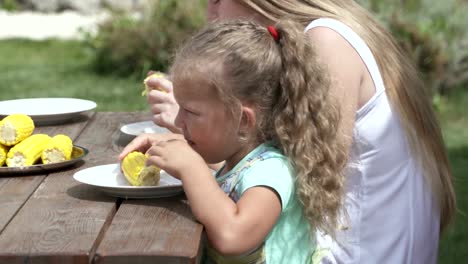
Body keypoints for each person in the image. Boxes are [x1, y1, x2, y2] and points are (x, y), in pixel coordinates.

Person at [140, 1, 457, 263]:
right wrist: (199, 121)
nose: (209, 14)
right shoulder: (325, 34)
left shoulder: (326, 41)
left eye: (217, 1)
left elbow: (286, 184)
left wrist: (203, 137)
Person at [121, 19, 347, 263]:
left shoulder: (273, 171)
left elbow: (233, 236)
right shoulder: (239, 162)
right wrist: (170, 148)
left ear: (243, 121)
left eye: (191, 112)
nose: (178, 119)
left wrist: (191, 168)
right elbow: (228, 182)